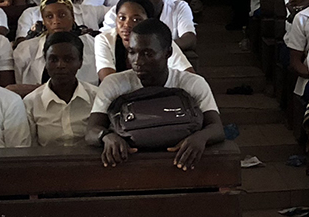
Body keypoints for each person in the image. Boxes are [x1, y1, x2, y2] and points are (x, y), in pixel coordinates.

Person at [85, 20, 224, 170]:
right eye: (132, 52)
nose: (137, 61)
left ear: (168, 53)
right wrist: (106, 137)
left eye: (147, 54)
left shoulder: (192, 83)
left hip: (181, 165)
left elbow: (216, 128)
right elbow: (92, 130)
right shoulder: (114, 83)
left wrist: (200, 138)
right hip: (128, 167)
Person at [23, 31, 98, 145]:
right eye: (53, 59)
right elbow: (29, 148)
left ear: (80, 62)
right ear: (45, 62)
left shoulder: (95, 97)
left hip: (89, 162)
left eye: (68, 59)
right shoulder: (31, 103)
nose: (60, 65)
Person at [13, 0, 100, 90]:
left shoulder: (93, 45)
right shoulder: (26, 49)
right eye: (49, 16)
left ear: (72, 17)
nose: (56, 21)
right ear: (44, 21)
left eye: (62, 15)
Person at [96, 0, 192, 79]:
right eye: (122, 18)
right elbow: (108, 80)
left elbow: (189, 75)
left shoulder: (159, 39)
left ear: (148, 21)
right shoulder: (105, 39)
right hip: (121, 96)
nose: (126, 24)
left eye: (136, 20)